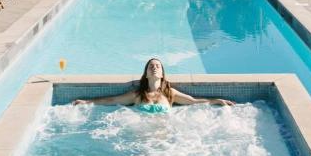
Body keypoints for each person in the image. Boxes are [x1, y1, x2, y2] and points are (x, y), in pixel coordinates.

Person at [72, 57, 233, 111]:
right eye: (151, 66)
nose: (154, 68)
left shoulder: (170, 93)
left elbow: (193, 101)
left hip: (163, 138)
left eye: (158, 66)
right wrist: (87, 102)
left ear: (162, 74)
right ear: (146, 73)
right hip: (142, 137)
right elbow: (112, 100)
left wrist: (216, 101)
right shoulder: (137, 94)